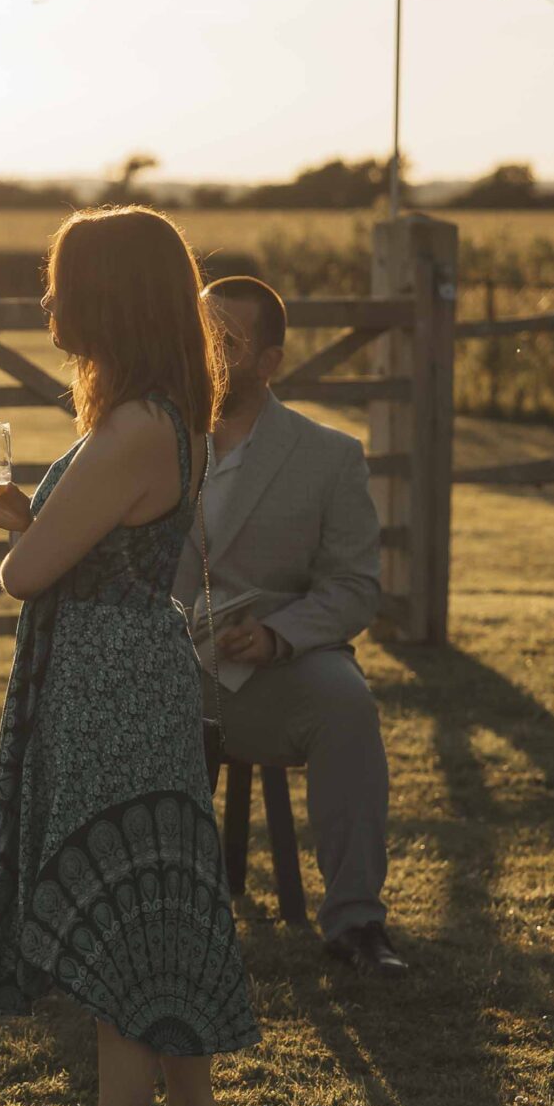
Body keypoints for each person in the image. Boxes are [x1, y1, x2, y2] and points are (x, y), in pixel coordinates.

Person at [0, 207, 257, 1106]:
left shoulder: (133, 426)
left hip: (108, 676)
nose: (46, 298)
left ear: (105, 296)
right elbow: (78, 532)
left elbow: (26, 574)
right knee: (162, 880)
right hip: (137, 661)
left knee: (117, 884)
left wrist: (19, 535)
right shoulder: (162, 415)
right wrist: (23, 512)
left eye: (59, 282)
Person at [184, 276, 407, 977]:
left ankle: (356, 924)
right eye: (202, 337)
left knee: (346, 703)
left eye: (227, 342)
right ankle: (145, 915)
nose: (209, 354)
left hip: (274, 672)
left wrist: (280, 633)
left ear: (269, 361)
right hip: (168, 666)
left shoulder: (329, 456)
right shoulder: (152, 437)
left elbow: (354, 587)